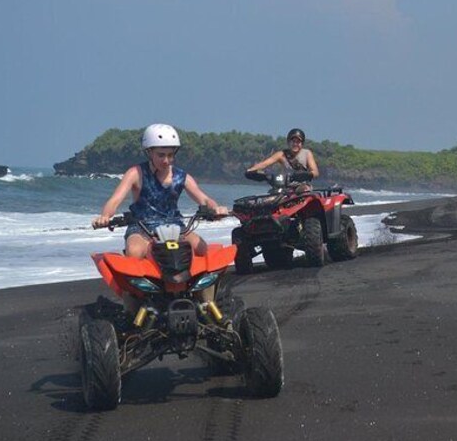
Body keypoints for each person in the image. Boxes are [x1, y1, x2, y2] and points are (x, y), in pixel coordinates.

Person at [92, 124, 229, 310]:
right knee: (133, 251)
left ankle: (206, 303)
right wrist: (105, 216)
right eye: (161, 155)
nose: (166, 160)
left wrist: (216, 208)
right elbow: (115, 199)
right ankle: (136, 305)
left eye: (171, 155)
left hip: (175, 225)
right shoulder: (136, 173)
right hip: (142, 227)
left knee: (202, 248)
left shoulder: (181, 176)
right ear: (149, 152)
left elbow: (202, 197)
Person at [246, 128, 320, 187]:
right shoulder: (281, 154)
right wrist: (250, 170)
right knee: (271, 197)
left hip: (302, 186)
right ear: (288, 142)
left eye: (298, 142)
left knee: (304, 189)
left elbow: (315, 172)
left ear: (302, 143)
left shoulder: (307, 153)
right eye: (293, 141)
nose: (295, 144)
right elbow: (264, 164)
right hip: (285, 185)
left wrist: (305, 175)